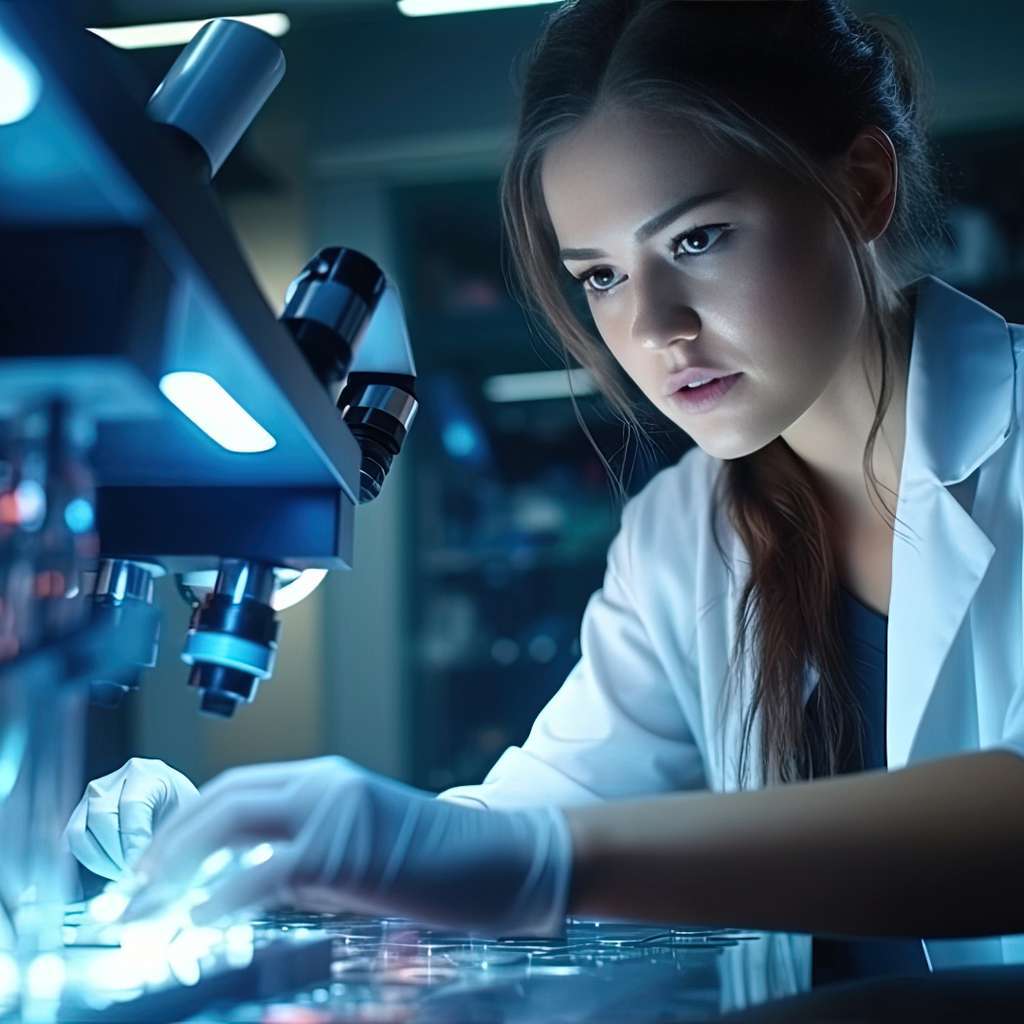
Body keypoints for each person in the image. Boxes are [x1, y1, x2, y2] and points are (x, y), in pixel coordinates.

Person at [65, 0, 1024, 986]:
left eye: (698, 239)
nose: (653, 326)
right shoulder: (680, 534)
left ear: (862, 187)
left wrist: (538, 862)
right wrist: (263, 842)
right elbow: (539, 811)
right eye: (602, 275)